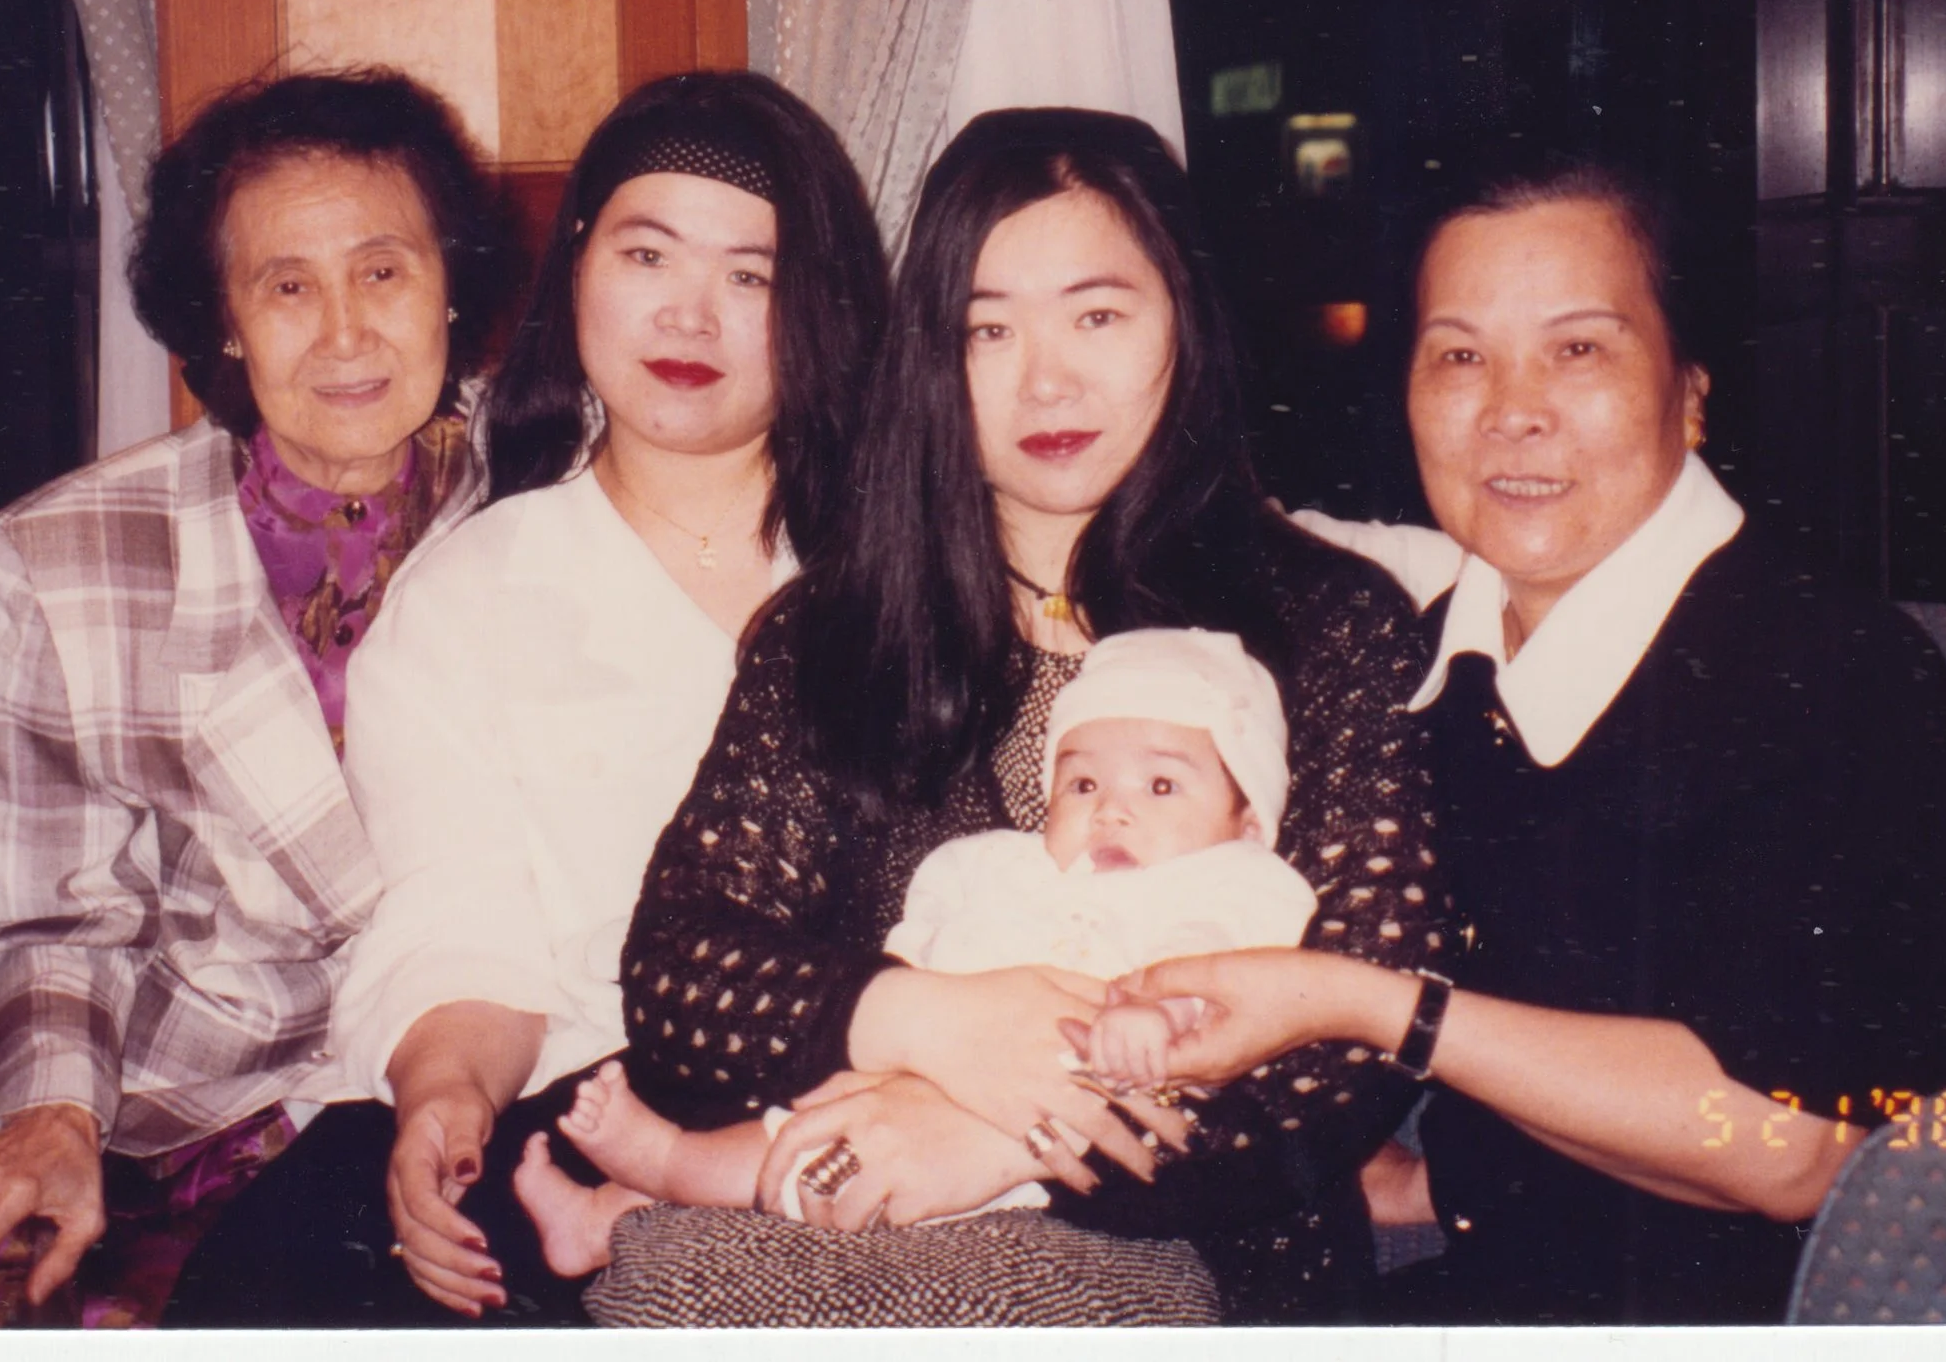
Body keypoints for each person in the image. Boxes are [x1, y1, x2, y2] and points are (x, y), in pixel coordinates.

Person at [1125, 160, 1946, 1323]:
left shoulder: (1827, 670)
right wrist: (1428, 1178)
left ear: (1689, 392)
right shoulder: (1435, 667)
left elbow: (1787, 1146)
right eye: (1460, 356)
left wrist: (1373, 1007)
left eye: (1578, 349)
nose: (1512, 410)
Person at [602, 108, 1445, 1324]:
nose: (1047, 382)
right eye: (986, 330)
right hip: (838, 1213)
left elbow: (1352, 1045)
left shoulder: (1327, 629)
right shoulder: (834, 633)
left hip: (1194, 1250)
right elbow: (678, 971)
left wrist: (1007, 1137)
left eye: (1097, 317)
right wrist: (934, 1027)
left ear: (1185, 321)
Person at [158, 68, 891, 1326]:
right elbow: (463, 918)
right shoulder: (473, 592)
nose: (690, 314)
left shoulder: (907, 566)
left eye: (750, 275)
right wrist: (446, 1092)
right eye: (647, 255)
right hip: (581, 1097)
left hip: (877, 1078)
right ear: (577, 272)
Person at [0, 69, 517, 1327]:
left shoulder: (548, 496)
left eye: (382, 271)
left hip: (484, 1075)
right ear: (223, 322)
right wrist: (52, 1111)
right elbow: (35, 921)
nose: (345, 333)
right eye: (286, 286)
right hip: (181, 1107)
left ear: (450, 286)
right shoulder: (54, 564)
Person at [510, 626, 1320, 1275]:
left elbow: (1231, 976)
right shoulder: (1002, 864)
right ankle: (606, 1212)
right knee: (794, 1132)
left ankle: (661, 1166)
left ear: (1248, 821)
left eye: (1162, 786)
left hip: (1031, 1131)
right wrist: (900, 1017)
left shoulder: (1230, 883)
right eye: (1083, 784)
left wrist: (1159, 1016)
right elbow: (916, 941)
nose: (1112, 810)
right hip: (913, 1069)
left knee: (803, 1169)